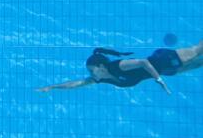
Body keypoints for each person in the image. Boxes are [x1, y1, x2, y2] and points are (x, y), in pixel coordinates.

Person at [36, 40, 203, 94]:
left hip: (164, 59)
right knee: (199, 62)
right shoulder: (102, 79)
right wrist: (52, 87)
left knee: (197, 50)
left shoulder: (118, 66)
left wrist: (158, 79)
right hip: (166, 70)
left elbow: (143, 62)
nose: (90, 74)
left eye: (91, 70)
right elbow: (76, 84)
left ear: (101, 66)